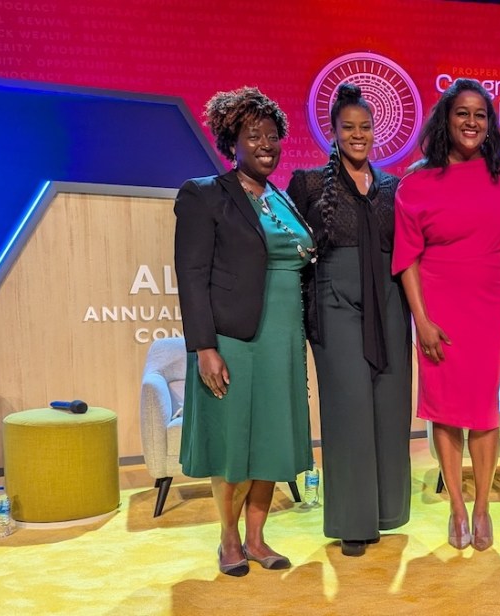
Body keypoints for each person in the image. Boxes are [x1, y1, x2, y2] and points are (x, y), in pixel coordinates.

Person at [175, 86, 315, 576]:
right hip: (233, 338)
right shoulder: (205, 194)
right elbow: (191, 275)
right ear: (231, 141)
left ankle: (258, 538)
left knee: (272, 440)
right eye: (253, 136)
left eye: (273, 136)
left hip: (283, 337)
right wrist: (204, 347)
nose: (265, 145)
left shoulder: (282, 197)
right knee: (233, 441)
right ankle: (228, 537)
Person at [393, 78, 500, 551]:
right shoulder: (416, 181)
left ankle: (484, 505)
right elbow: (406, 256)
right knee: (446, 413)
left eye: (480, 115)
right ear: (445, 120)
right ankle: (455, 507)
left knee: (484, 412)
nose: (471, 122)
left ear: (489, 125)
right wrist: (421, 321)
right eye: (462, 113)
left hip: (491, 310)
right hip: (438, 310)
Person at [286, 83, 411, 557]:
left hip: (390, 302)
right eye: (348, 128)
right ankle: (352, 523)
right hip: (334, 299)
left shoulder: (393, 187)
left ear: (374, 132)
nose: (357, 135)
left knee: (388, 405)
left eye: (365, 127)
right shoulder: (309, 184)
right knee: (348, 409)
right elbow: (294, 253)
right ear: (333, 133)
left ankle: (385, 512)